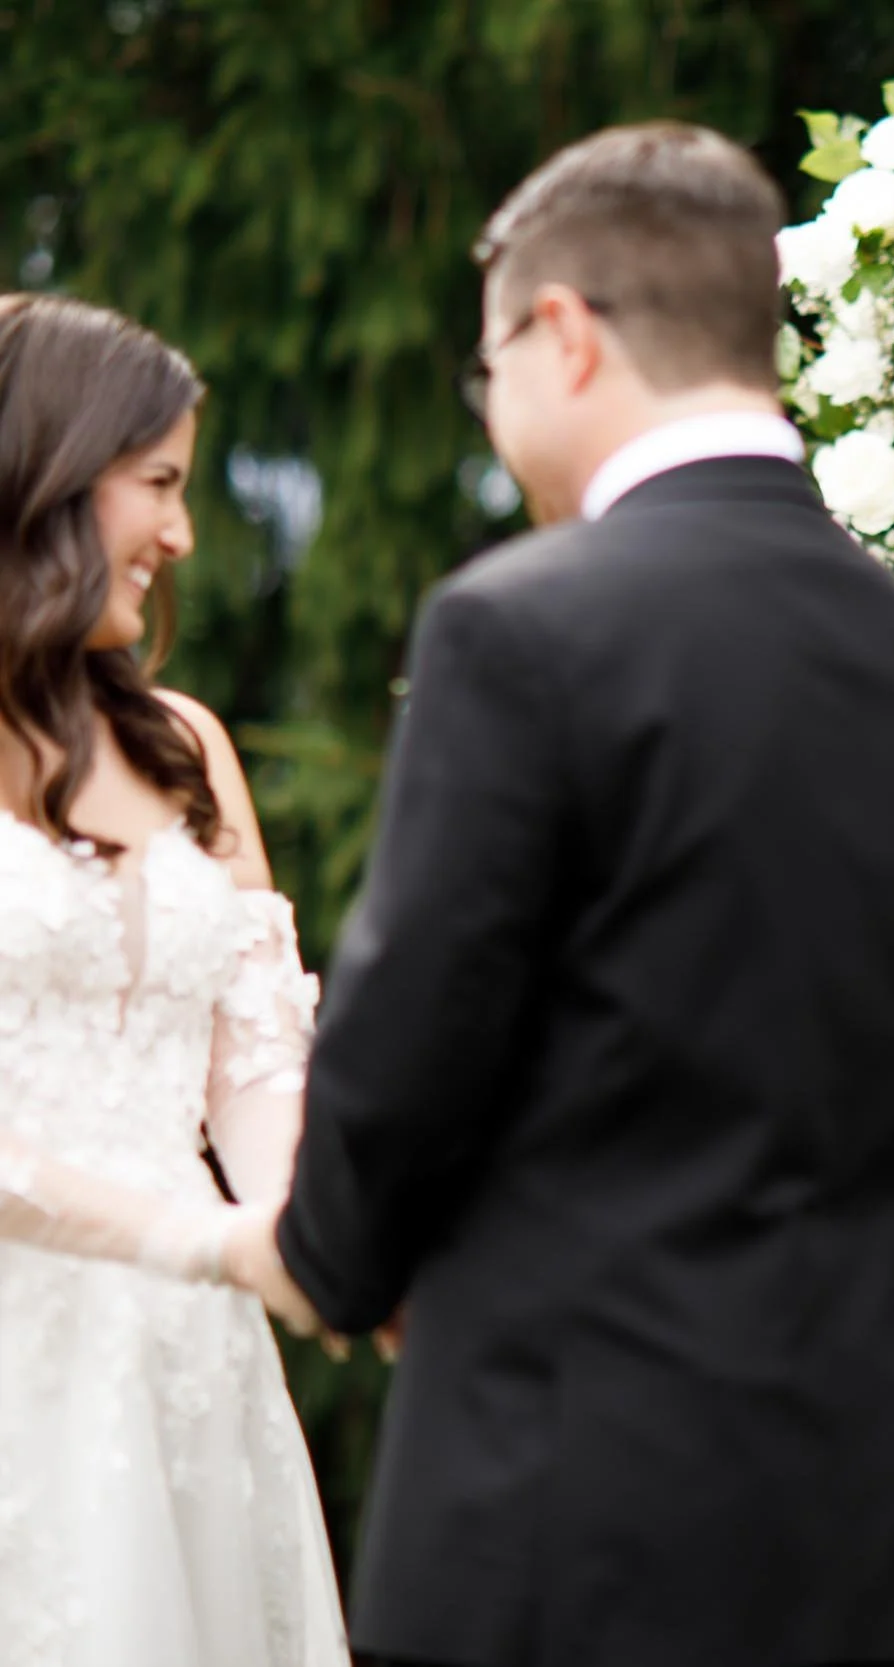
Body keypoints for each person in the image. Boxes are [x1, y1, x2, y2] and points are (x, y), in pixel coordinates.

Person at [219, 123, 894, 1667]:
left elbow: (414, 1034)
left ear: (563, 333)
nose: (493, 410)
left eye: (486, 370)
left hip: (559, 1507)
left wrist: (334, 1257)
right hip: (853, 1527)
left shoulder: (525, 628)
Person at [0, 294, 348, 1666]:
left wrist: (309, 1225)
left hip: (196, 1368)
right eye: (158, 485)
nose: (184, 535)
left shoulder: (183, 744)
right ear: (47, 469)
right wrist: (207, 1239)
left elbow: (259, 1061)